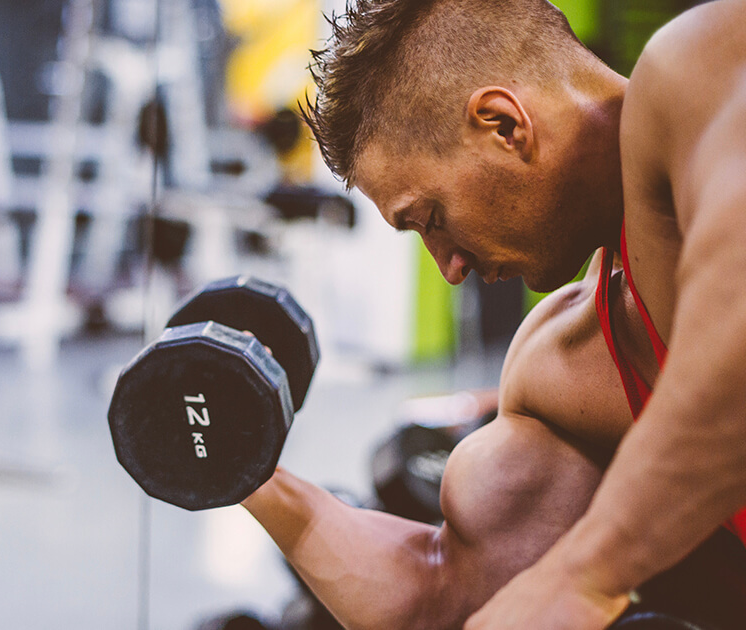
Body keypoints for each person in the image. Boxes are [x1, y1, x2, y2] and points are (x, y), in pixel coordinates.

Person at [239, 0, 746, 628]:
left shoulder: (705, 61)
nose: (449, 267)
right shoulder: (567, 362)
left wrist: (586, 576)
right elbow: (444, 594)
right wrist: (245, 466)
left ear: (505, 125)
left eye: (430, 219)